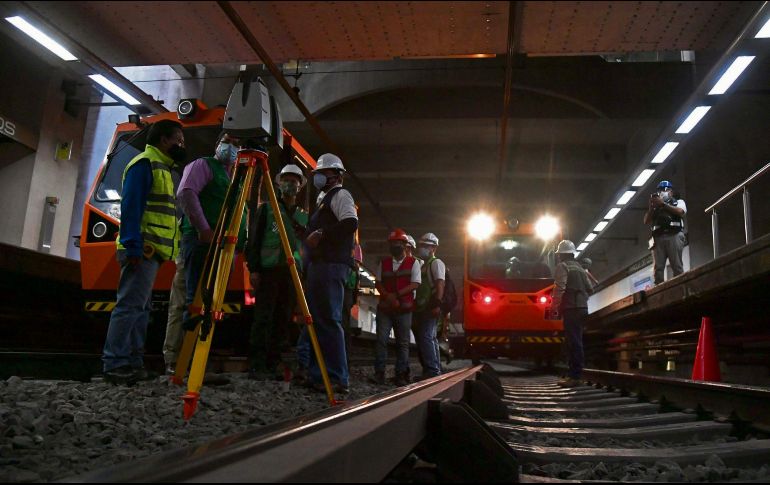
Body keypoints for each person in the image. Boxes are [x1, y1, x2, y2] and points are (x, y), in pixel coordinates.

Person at [102, 119, 186, 385]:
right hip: (142, 249)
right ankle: (115, 363)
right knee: (129, 307)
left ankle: (133, 362)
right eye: (179, 140)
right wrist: (133, 245)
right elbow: (131, 207)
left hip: (153, 252)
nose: (181, 146)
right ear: (164, 140)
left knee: (141, 309)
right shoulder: (144, 164)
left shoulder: (164, 168)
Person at [177, 132, 247, 337]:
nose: (231, 147)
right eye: (226, 142)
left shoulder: (234, 177)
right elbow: (186, 192)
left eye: (236, 144)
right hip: (202, 241)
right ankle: (187, 352)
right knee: (196, 297)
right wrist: (204, 229)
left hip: (223, 246)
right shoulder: (203, 165)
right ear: (217, 144)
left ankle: (201, 347)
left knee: (212, 300)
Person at [245, 164, 308, 380]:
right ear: (278, 184)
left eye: (294, 180)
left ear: (300, 186)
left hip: (291, 274)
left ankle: (273, 362)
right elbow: (254, 240)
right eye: (286, 179)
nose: (290, 184)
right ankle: (256, 364)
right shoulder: (267, 209)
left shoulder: (303, 216)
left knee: (282, 319)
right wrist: (253, 269)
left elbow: (304, 248)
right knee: (263, 316)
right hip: (269, 269)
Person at [304, 153, 358, 394]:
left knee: (329, 320)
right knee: (318, 321)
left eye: (323, 173)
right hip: (320, 265)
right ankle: (319, 375)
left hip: (331, 265)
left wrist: (322, 234)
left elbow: (350, 223)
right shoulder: (322, 199)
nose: (319, 177)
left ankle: (337, 377)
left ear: (336, 175)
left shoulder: (341, 195)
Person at [372, 229, 421, 386]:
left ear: (405, 245)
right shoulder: (384, 263)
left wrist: (396, 295)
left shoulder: (414, 263)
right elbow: (378, 283)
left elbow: (415, 284)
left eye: (398, 243)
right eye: (393, 243)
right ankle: (379, 373)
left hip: (404, 310)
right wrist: (388, 296)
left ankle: (400, 374)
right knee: (381, 340)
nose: (395, 246)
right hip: (385, 309)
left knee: (403, 343)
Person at [550, 240, 594, 387]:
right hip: (582, 308)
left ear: (561, 255)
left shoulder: (563, 266)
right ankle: (576, 374)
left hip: (571, 308)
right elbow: (590, 288)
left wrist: (553, 306)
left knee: (573, 342)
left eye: (559, 254)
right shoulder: (580, 268)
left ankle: (574, 377)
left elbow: (560, 288)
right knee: (577, 341)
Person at [413, 232, 445, 379]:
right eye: (421, 246)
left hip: (431, 305)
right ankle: (434, 369)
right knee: (429, 337)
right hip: (423, 306)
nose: (422, 249)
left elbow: (440, 284)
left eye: (426, 246)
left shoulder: (436, 263)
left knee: (426, 336)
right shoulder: (423, 264)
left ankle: (432, 371)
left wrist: (437, 303)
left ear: (433, 248)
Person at [643, 180, 687, 285]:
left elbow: (680, 212)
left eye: (666, 190)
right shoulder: (655, 207)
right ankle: (658, 291)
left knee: (677, 266)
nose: (663, 192)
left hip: (674, 235)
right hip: (658, 238)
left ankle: (680, 287)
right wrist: (651, 208)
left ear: (671, 191)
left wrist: (663, 204)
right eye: (660, 190)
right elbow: (646, 221)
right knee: (658, 268)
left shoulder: (678, 202)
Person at [162, 248, 186, 375]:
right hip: (191, 252)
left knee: (178, 307)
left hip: (187, 252)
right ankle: (176, 360)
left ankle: (172, 360)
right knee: (179, 307)